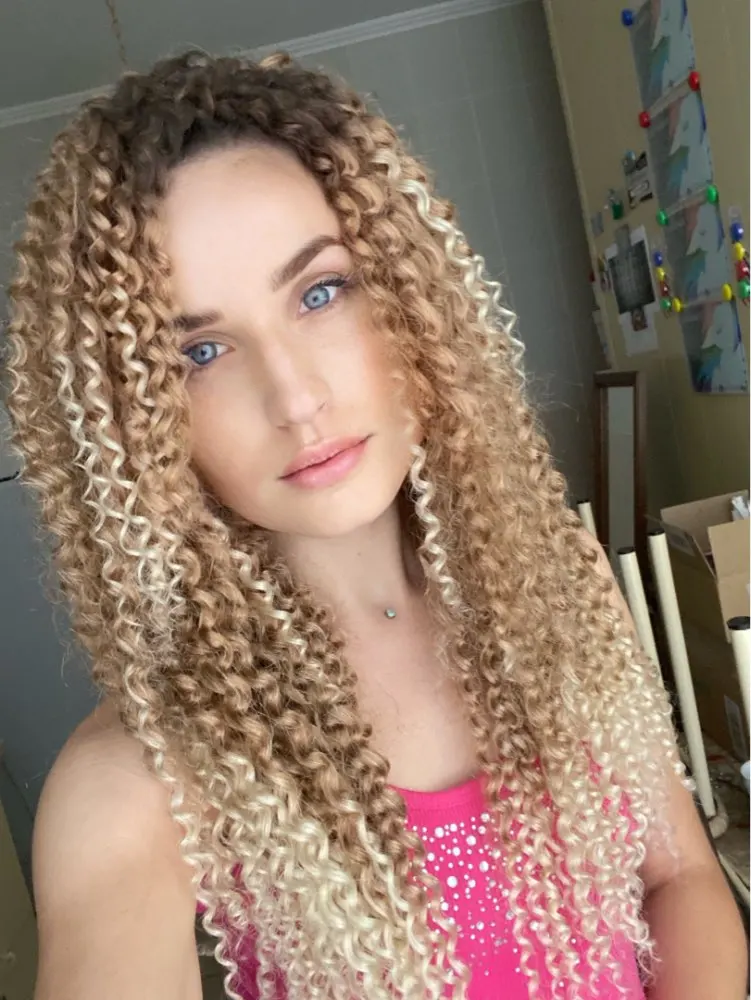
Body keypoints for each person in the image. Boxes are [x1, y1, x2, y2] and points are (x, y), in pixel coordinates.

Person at [5, 49, 745, 1000]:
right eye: (197, 352)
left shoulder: (559, 580)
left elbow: (678, 876)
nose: (295, 397)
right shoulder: (139, 779)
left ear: (410, 294)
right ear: (130, 419)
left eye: (319, 292)